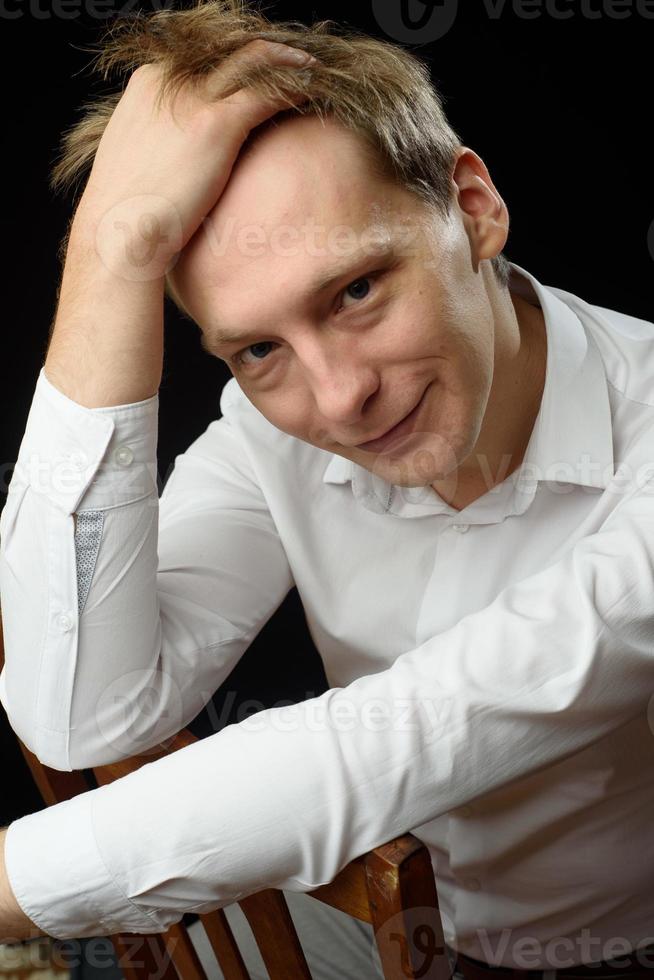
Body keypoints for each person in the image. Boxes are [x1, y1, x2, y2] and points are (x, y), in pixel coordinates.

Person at [1, 1, 654, 977]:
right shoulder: (270, 423)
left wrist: (14, 884)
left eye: (356, 291)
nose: (341, 399)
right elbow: (82, 711)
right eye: (259, 348)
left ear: (472, 207)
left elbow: (388, 742)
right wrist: (109, 254)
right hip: (370, 919)